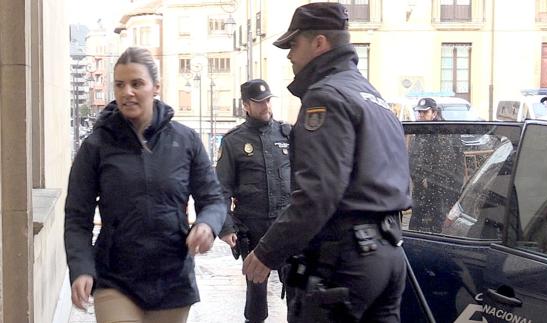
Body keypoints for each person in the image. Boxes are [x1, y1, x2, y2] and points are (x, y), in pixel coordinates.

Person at [242, 3, 412, 322]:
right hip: (388, 256)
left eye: (294, 44)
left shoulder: (325, 97)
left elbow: (318, 194)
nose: (290, 55)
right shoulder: (373, 98)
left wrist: (267, 251)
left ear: (320, 42)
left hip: (344, 263)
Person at [64, 46, 226, 323]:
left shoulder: (185, 141)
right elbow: (77, 217)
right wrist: (81, 268)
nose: (127, 92)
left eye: (137, 83)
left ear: (155, 87)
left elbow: (212, 198)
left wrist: (207, 224)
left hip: (172, 278)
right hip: (115, 278)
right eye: (120, 84)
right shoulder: (96, 146)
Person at [216, 79, 291, 323]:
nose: (265, 106)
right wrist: (226, 228)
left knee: (298, 289)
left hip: (288, 225)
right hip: (254, 225)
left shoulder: (287, 135)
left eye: (268, 100)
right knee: (256, 291)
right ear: (246, 105)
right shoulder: (233, 141)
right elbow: (221, 188)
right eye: (259, 102)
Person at [409, 98, 464, 232]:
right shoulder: (422, 129)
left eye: (424, 112)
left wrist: (429, 179)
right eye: (419, 112)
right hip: (422, 187)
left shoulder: (442, 131)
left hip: (440, 189)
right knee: (417, 225)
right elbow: (414, 155)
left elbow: (447, 162)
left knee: (437, 225)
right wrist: (416, 176)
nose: (421, 115)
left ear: (434, 113)